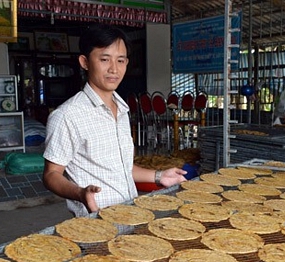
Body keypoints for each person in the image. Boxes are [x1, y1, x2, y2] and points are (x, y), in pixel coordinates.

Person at [42, 24, 187, 217]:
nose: (114, 69)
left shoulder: (122, 109)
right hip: (96, 221)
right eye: (104, 59)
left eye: (120, 60)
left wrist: (160, 176)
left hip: (132, 213)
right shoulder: (67, 115)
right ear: (84, 62)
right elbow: (51, 175)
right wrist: (80, 193)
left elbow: (122, 168)